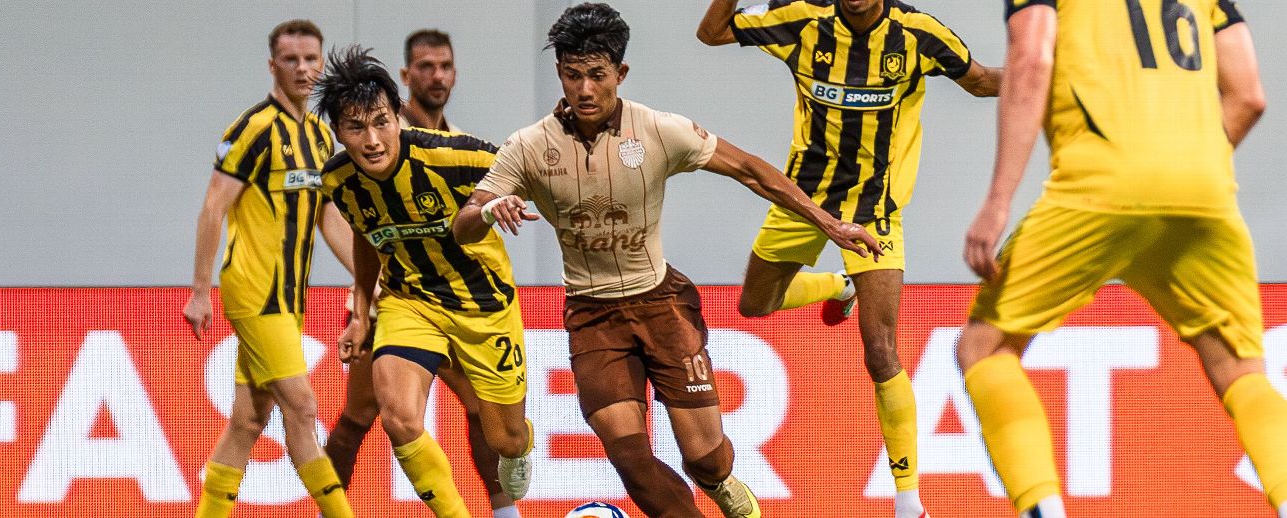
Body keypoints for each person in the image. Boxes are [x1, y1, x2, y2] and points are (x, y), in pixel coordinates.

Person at [453, 4, 880, 517]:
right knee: (630, 459)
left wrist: (829, 223)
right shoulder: (527, 147)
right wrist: (488, 211)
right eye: (572, 75)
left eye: (597, 75)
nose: (584, 89)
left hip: (662, 305)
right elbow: (463, 223)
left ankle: (719, 480)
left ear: (620, 73)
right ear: (560, 73)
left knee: (707, 460)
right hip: (592, 316)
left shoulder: (657, 130)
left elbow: (749, 170)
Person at [957, 1, 1285, 517]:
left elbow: (1032, 58)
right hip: (1205, 189)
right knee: (1240, 369)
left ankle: (1042, 507)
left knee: (985, 348)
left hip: (1098, 189)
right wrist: (1184, 169)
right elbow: (1249, 96)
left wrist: (998, 201)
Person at [697, 2, 1001, 515]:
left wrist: (1059, 74)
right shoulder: (801, 19)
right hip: (802, 202)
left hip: (874, 211)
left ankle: (909, 502)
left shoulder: (917, 34)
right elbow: (713, 32)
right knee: (755, 305)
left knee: (881, 350)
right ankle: (839, 284)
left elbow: (982, 80)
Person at [315, 45, 535, 518]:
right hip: (409, 300)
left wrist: (506, 199)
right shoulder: (338, 181)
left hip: (482, 305)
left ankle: (518, 448)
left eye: (381, 122)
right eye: (355, 128)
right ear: (337, 131)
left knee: (506, 438)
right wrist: (360, 314)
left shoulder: (455, 155)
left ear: (397, 115)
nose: (372, 140)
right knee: (397, 416)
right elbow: (367, 237)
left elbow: (522, 169)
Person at [182, 19, 356, 518]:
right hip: (255, 292)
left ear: (321, 62)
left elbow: (328, 216)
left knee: (246, 422)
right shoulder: (253, 128)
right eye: (291, 60)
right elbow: (213, 207)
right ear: (272, 66)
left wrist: (370, 277)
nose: (303, 69)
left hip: (289, 298)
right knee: (303, 408)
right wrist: (200, 290)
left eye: (311, 59)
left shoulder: (320, 136)